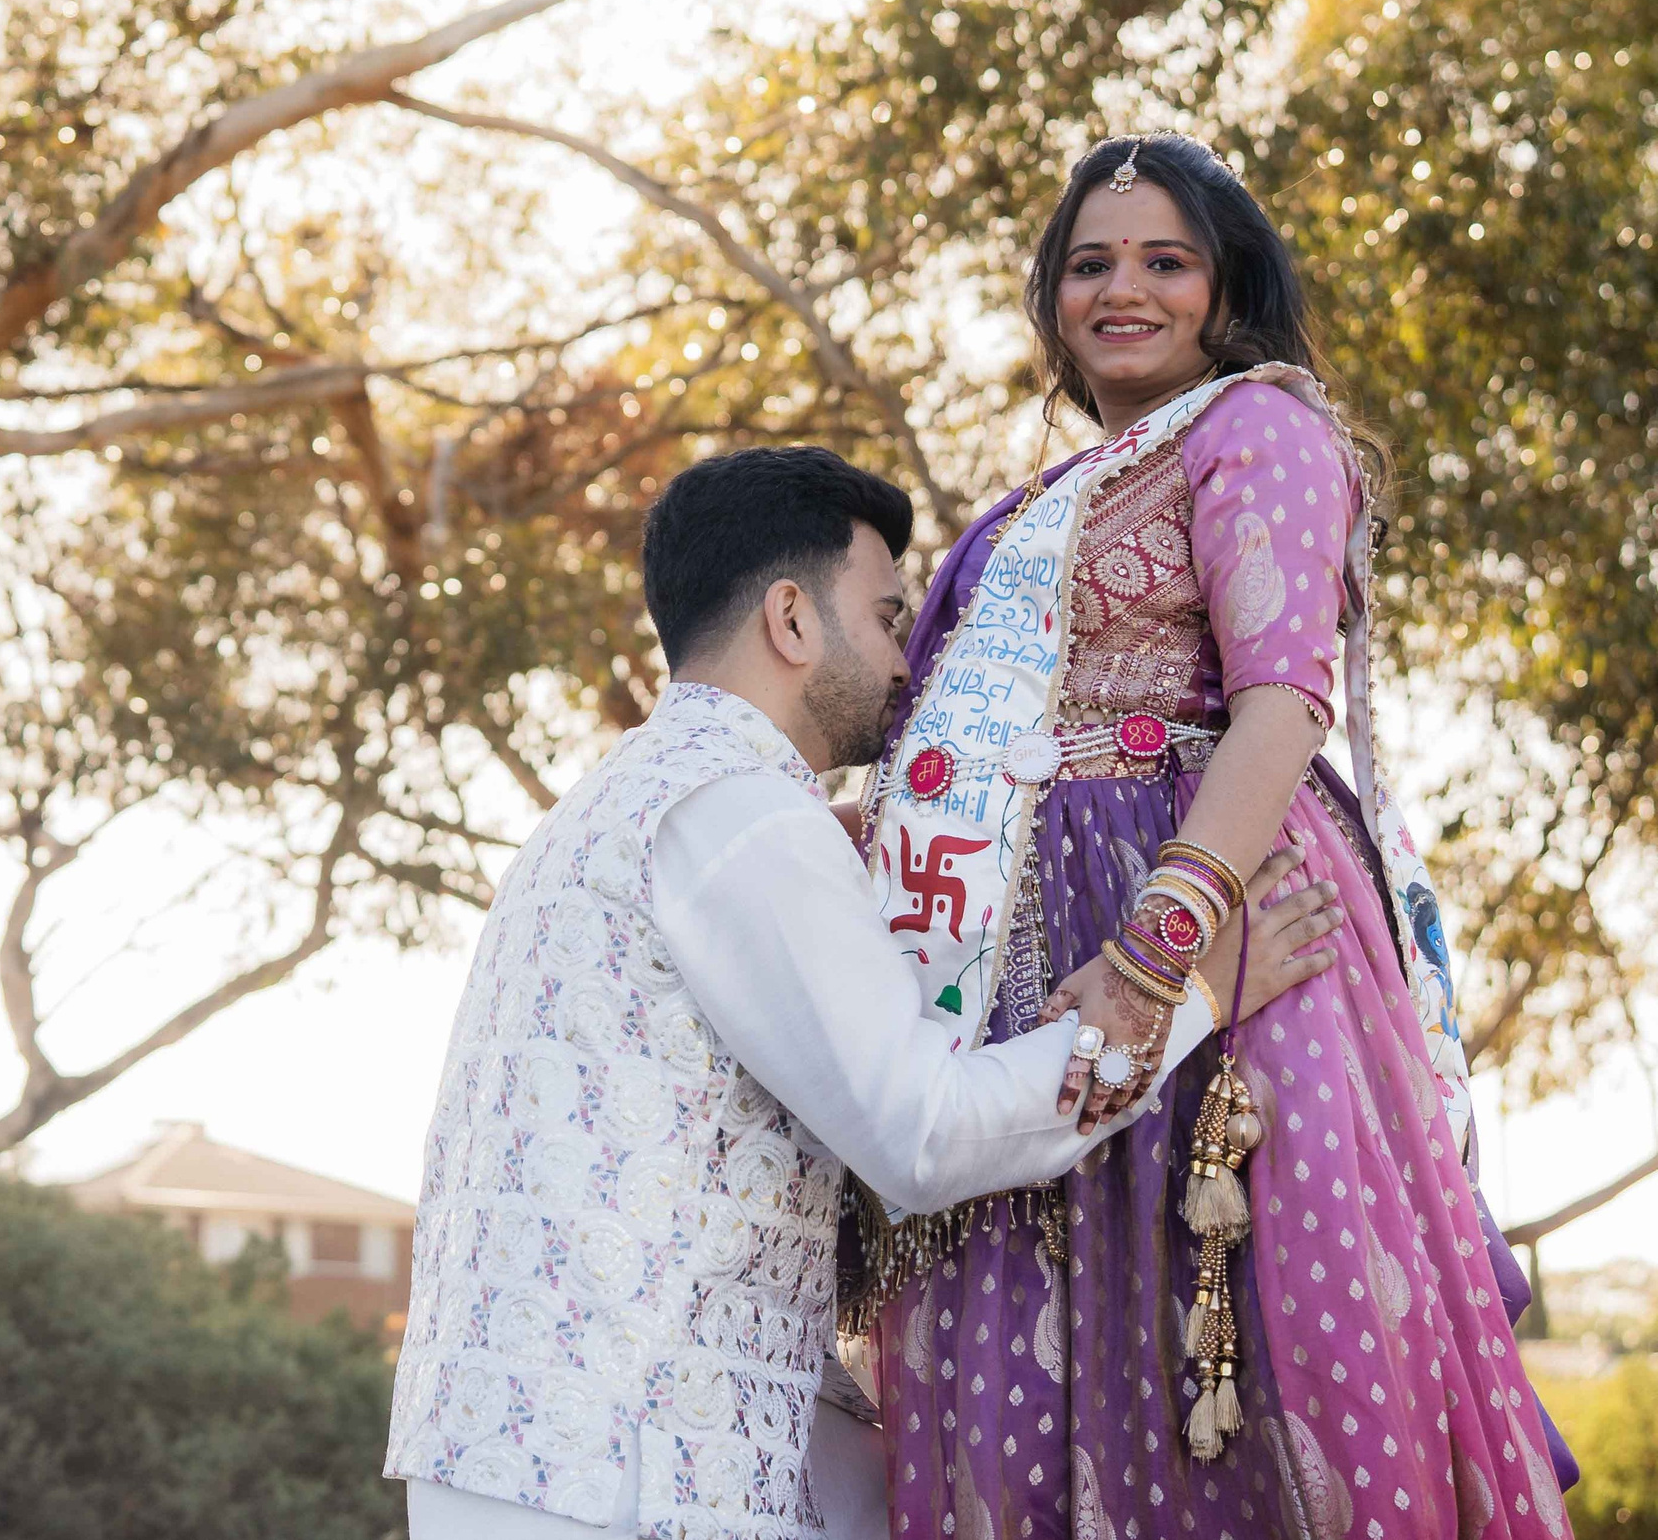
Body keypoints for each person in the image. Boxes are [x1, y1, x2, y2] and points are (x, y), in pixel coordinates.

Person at [383, 445, 1345, 1540]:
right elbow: (923, 1134)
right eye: (887, 618)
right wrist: (1186, 996)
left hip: (531, 1457)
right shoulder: (739, 812)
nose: (906, 666)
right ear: (791, 620)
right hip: (619, 1469)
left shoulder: (625, 798)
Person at [859, 132, 1576, 1538]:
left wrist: (1156, 957)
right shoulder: (1045, 497)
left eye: (1164, 261)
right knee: (1033, 1359)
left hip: (1222, 940)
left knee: (1248, 1361)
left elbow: (1281, 705)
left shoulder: (1260, 427)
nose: (1122, 289)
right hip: (1023, 965)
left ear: (1225, 286)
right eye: (1090, 264)